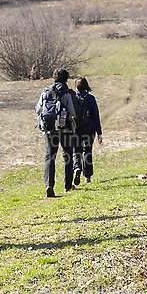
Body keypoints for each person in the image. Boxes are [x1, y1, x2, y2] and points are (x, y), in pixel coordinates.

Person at [35, 68, 77, 197]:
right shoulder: (67, 93)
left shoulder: (46, 91)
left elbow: (38, 110)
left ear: (54, 78)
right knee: (67, 155)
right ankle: (68, 185)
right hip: (66, 129)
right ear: (66, 79)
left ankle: (49, 185)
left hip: (49, 130)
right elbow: (73, 112)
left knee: (50, 157)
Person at [72, 77, 102, 185]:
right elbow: (95, 116)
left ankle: (77, 167)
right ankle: (87, 177)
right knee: (87, 151)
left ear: (76, 87)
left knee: (76, 150)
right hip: (89, 129)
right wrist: (99, 133)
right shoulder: (90, 98)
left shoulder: (73, 98)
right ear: (86, 86)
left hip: (76, 129)